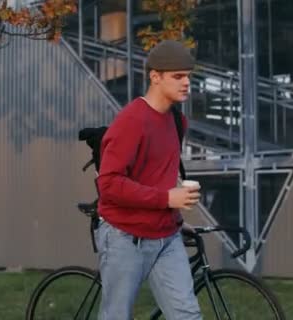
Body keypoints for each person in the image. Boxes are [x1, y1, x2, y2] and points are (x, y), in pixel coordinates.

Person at [95, 40, 202, 320]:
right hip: (125, 237)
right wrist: (167, 198)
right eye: (178, 76)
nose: (186, 82)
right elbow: (108, 184)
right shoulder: (132, 120)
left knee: (187, 315)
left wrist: (174, 212)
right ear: (155, 77)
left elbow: (158, 174)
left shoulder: (177, 121)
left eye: (189, 76)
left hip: (167, 237)